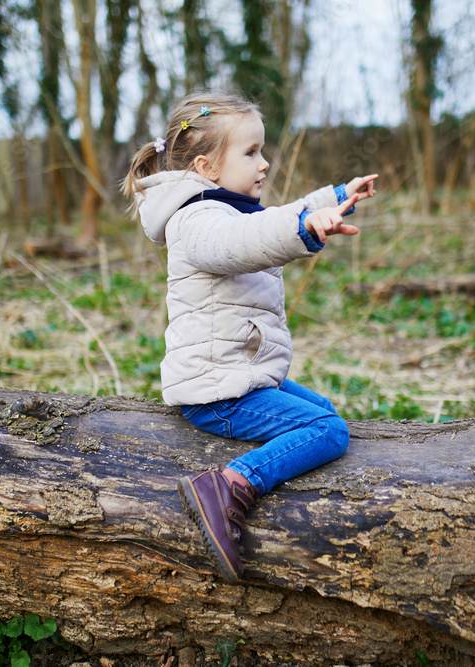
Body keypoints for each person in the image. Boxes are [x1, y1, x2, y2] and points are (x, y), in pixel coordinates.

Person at [123, 91, 377, 583]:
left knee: (322, 409)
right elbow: (243, 243)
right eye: (250, 152)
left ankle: (236, 477)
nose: (265, 162)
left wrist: (331, 198)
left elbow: (267, 220)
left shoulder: (220, 207)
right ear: (206, 166)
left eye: (262, 150)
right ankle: (229, 487)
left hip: (239, 377)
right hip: (218, 392)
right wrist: (306, 226)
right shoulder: (196, 220)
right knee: (329, 431)